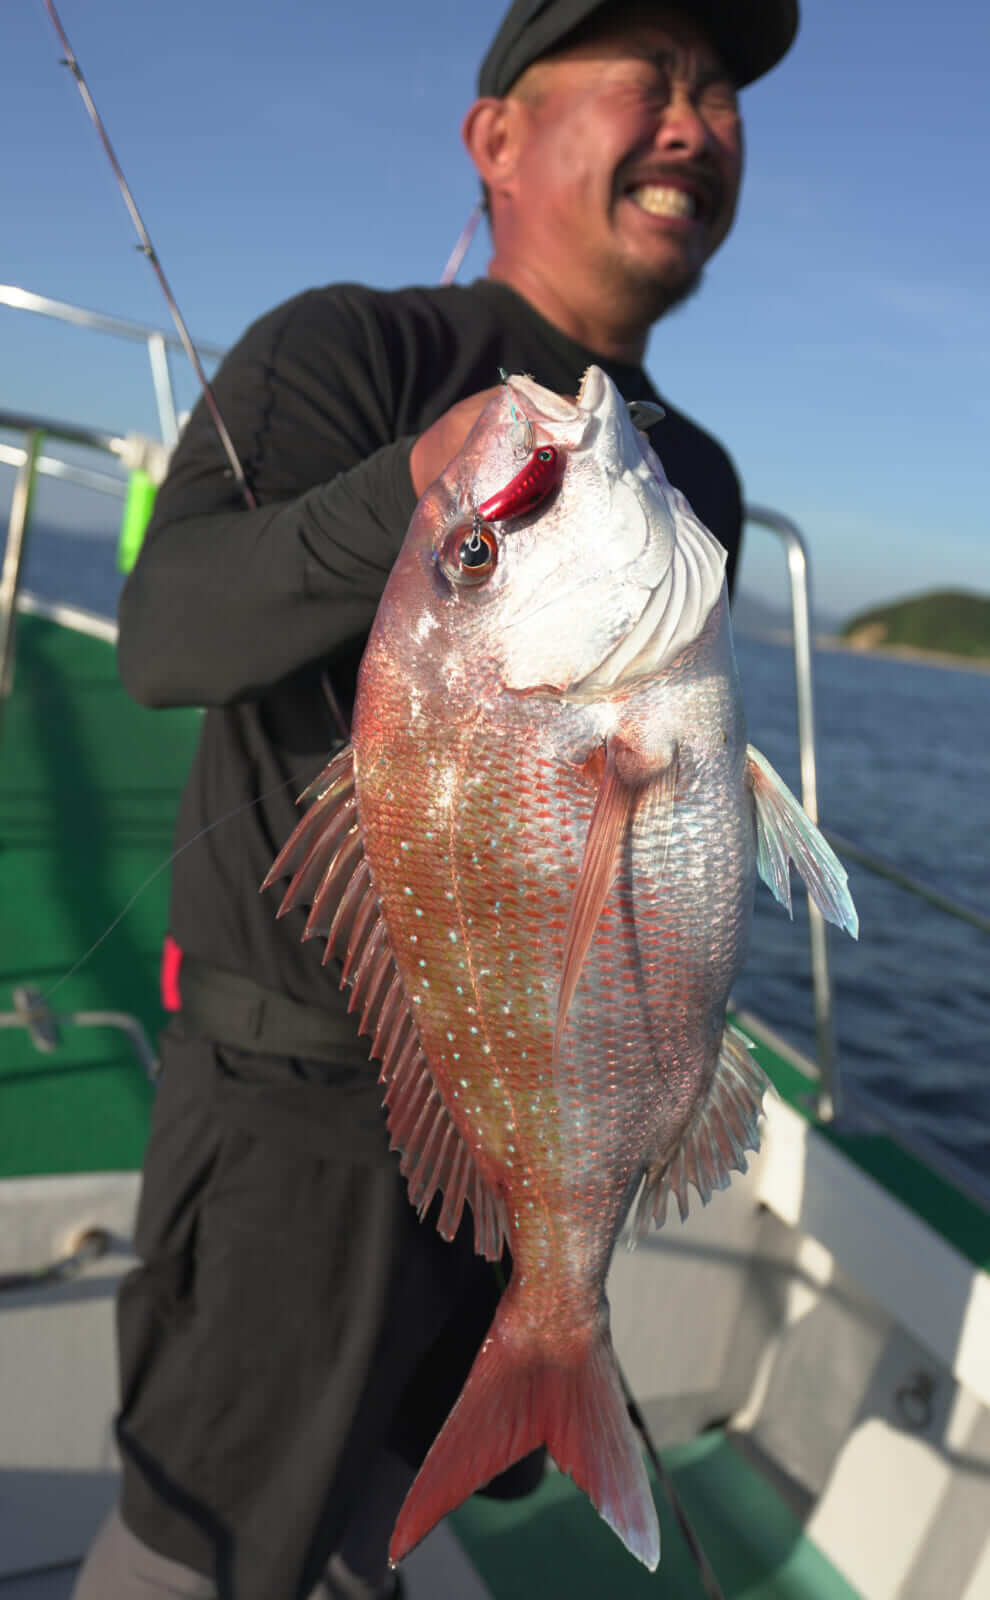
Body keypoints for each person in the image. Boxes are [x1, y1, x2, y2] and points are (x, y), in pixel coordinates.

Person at [74, 2, 797, 1596]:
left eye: (721, 92)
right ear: (496, 140)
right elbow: (165, 634)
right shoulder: (349, 349)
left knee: (381, 1521)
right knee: (200, 1542)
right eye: (651, 77)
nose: (695, 119)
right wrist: (423, 502)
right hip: (297, 1132)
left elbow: (675, 817)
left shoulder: (699, 480)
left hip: (530, 1136)